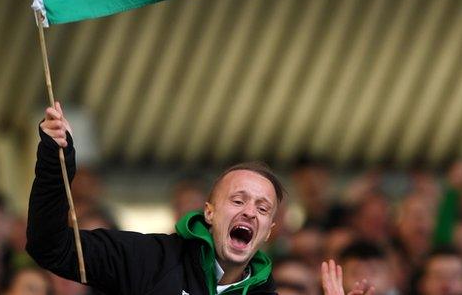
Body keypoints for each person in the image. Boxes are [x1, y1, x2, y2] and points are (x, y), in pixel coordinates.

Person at [27, 102, 284, 294]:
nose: (250, 212)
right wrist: (54, 163)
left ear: (268, 231)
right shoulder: (149, 259)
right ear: (209, 212)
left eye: (262, 209)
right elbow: (51, 248)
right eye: (238, 201)